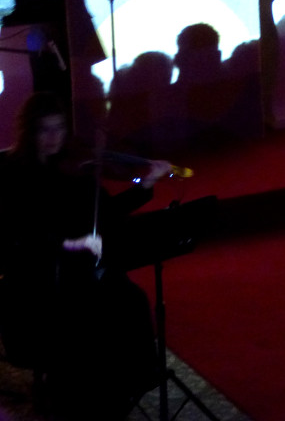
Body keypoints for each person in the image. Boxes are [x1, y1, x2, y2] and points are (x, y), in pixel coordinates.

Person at [0, 92, 172, 419]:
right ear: (29, 132)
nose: (53, 138)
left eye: (60, 128)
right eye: (44, 130)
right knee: (89, 316)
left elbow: (107, 215)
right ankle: (79, 394)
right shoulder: (12, 175)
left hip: (77, 271)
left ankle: (121, 389)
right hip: (37, 275)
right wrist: (67, 244)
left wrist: (145, 185)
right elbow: (17, 235)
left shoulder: (74, 170)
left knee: (129, 297)